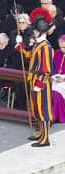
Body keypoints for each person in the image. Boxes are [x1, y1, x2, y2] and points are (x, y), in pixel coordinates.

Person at [20, 9, 55, 146]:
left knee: (43, 110)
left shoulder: (45, 47)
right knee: (36, 109)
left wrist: (38, 85)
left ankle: (45, 138)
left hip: (42, 84)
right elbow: (30, 57)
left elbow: (46, 70)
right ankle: (41, 133)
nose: (33, 32)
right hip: (35, 81)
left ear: (40, 31)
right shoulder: (38, 44)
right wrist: (21, 46)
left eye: (35, 30)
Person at [52, 35, 65, 121]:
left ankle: (55, 116)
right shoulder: (57, 53)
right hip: (56, 79)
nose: (62, 49)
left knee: (56, 92)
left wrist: (63, 79)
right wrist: (52, 77)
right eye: (61, 47)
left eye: (64, 47)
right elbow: (52, 69)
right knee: (47, 89)